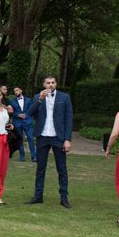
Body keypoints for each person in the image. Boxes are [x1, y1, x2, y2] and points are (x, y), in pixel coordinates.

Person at [24, 75, 74, 208]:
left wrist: (67, 139)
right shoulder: (37, 97)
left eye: (52, 82)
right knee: (40, 168)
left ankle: (64, 197)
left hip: (58, 137)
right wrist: (39, 100)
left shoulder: (64, 97)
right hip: (42, 136)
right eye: (48, 83)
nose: (50, 85)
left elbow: (69, 120)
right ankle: (38, 195)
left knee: (62, 169)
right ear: (44, 84)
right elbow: (29, 113)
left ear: (56, 84)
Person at [11, 86, 36, 162]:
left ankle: (34, 157)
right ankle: (22, 157)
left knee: (30, 139)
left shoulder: (28, 100)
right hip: (17, 122)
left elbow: (31, 110)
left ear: (21, 91)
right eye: (14, 91)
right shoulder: (12, 102)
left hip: (27, 122)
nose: (16, 92)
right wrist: (18, 115)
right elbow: (11, 112)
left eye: (17, 90)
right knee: (20, 139)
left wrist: (26, 115)